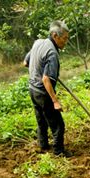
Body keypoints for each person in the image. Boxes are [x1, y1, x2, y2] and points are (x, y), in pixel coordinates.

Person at [24, 21, 72, 157]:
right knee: (58, 124)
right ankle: (58, 151)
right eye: (64, 38)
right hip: (43, 93)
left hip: (32, 90)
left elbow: (25, 62)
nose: (66, 41)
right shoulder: (52, 53)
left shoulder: (38, 42)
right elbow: (46, 79)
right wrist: (55, 101)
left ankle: (43, 145)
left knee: (41, 120)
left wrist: (38, 68)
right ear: (55, 35)